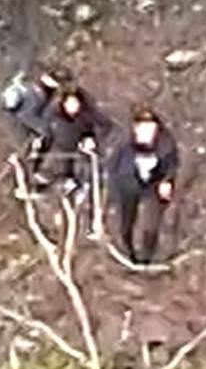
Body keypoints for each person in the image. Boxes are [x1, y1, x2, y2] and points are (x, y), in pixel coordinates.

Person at [107, 105, 179, 263]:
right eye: (142, 128)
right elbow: (112, 168)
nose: (147, 133)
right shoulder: (124, 144)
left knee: (151, 223)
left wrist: (167, 181)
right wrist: (113, 192)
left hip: (154, 183)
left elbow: (172, 164)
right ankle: (128, 252)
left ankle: (147, 256)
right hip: (128, 183)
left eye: (151, 128)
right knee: (126, 223)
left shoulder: (166, 144)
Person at [33, 84, 113, 200]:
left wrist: (93, 139)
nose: (72, 107)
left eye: (75, 103)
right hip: (59, 149)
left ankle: (77, 188)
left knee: (81, 167)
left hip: (79, 150)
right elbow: (45, 132)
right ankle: (42, 185)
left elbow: (106, 126)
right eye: (69, 103)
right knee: (51, 162)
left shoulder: (87, 115)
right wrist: (39, 142)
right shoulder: (54, 115)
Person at [0, 67, 67, 195]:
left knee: (32, 149)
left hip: (19, 124)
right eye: (57, 82)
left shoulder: (37, 89)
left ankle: (32, 179)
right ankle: (29, 181)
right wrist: (42, 129)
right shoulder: (38, 92)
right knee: (27, 152)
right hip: (18, 126)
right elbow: (25, 115)